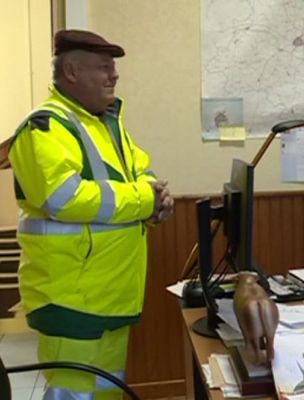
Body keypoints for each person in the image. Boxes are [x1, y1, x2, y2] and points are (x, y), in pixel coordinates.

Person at [7, 29, 174, 399]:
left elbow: (140, 171)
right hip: (70, 299)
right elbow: (64, 198)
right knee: (73, 394)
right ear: (71, 71)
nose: (114, 76)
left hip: (110, 295)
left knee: (105, 392)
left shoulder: (105, 123)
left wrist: (158, 199)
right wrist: (145, 200)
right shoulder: (46, 127)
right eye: (104, 67)